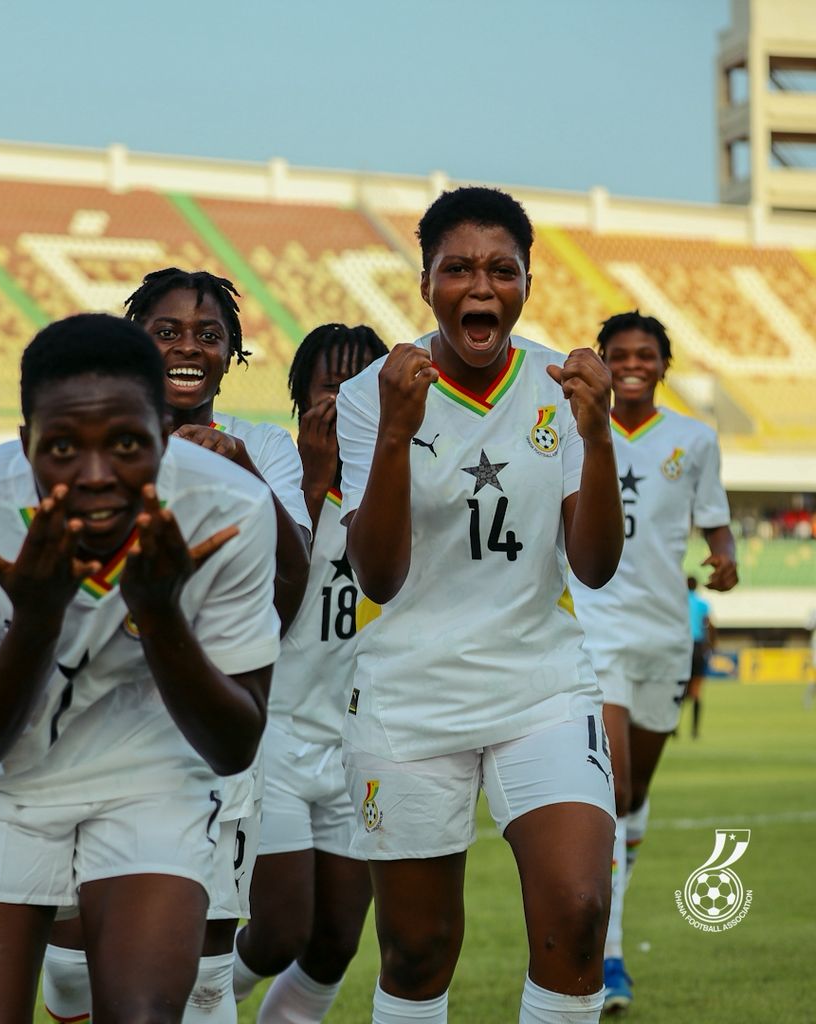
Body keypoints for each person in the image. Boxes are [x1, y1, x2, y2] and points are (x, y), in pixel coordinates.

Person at [0, 313, 280, 1023]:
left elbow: (234, 746)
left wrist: (161, 612)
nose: (95, 474)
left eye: (126, 444)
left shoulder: (228, 507)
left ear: (164, 439)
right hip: (4, 785)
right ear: (24, 446)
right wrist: (36, 619)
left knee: (141, 1015)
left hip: (149, 776)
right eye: (60, 448)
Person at [336, 186, 623, 1024]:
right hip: (409, 698)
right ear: (426, 283)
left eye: (503, 269)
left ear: (528, 282)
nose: (482, 285)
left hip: (540, 686)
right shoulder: (371, 396)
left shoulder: (560, 388)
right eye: (457, 268)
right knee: (419, 952)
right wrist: (395, 430)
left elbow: (595, 565)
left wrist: (599, 435)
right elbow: (378, 576)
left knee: (576, 914)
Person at [41, 269, 311, 1023]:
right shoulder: (94, 438)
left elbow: (289, 592)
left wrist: (241, 473)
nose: (189, 347)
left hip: (210, 723)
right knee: (69, 964)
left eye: (209, 334)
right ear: (136, 343)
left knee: (206, 969)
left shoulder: (265, 448)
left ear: (233, 353)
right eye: (167, 332)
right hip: (93, 718)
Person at [568, 311, 736, 1014]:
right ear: (603, 362)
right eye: (619, 355)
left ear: (663, 364)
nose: (632, 364)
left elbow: (716, 524)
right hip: (593, 627)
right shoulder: (576, 427)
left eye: (645, 355)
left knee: (633, 802)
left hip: (665, 636)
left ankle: (616, 906)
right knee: (611, 789)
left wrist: (726, 559)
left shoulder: (694, 440)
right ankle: (608, 956)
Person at [233, 323, 387, 1021]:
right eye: (332, 384)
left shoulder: (393, 493)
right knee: (276, 933)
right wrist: (316, 480)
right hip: (275, 735)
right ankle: (185, 1002)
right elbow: (270, 611)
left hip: (356, 742)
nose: (345, 401)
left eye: (363, 386)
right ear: (300, 396)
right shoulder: (272, 476)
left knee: (334, 942)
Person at [683, 575, 716, 739]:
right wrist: (711, 646)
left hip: (681, 646)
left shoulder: (678, 602)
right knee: (696, 690)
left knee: (679, 689)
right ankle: (694, 730)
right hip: (697, 647)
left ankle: (672, 728)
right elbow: (710, 625)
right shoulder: (702, 603)